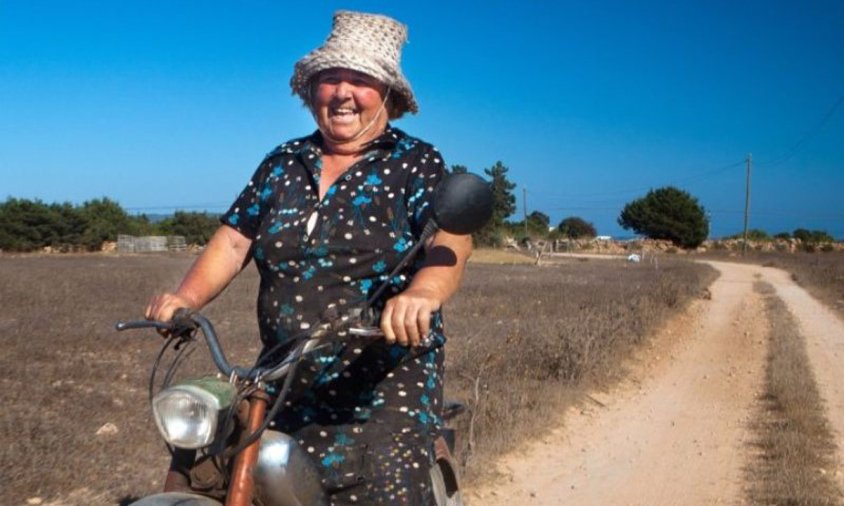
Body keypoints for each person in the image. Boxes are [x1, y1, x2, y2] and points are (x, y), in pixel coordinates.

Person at [145, 10, 472, 505]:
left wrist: (422, 294)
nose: (342, 93)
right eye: (330, 78)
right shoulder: (282, 163)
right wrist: (185, 298)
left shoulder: (415, 162)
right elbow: (235, 240)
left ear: (387, 93)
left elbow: (452, 235)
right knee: (222, 474)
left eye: (359, 80)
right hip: (285, 374)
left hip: (383, 379)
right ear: (311, 89)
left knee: (387, 490)